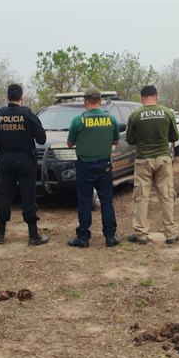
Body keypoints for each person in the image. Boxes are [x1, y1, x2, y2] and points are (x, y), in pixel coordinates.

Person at [0, 83, 48, 246]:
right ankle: (33, 235)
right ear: (21, 97)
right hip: (25, 160)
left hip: (6, 160)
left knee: (5, 196)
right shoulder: (27, 113)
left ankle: (0, 234)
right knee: (28, 196)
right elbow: (42, 139)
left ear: (7, 97)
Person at [125, 85, 179, 245]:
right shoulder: (167, 113)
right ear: (156, 96)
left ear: (142, 97)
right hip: (163, 158)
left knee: (142, 197)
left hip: (143, 159)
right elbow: (175, 136)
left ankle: (141, 234)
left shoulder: (135, 115)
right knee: (166, 195)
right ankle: (170, 233)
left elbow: (130, 140)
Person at [66, 87, 121, 248]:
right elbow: (116, 141)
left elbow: (70, 143)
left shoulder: (78, 120)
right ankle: (110, 237)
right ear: (100, 101)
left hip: (85, 165)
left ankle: (83, 238)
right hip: (105, 166)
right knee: (106, 202)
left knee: (84, 202)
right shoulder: (111, 119)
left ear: (85, 101)